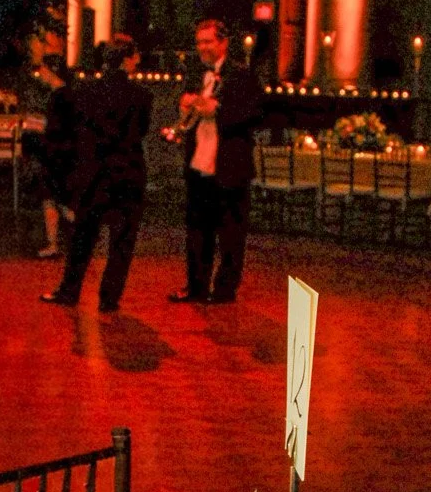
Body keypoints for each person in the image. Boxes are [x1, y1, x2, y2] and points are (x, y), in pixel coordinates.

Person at [42, 35, 150, 314]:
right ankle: (109, 297)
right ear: (127, 59)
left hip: (94, 173)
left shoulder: (86, 91)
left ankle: (69, 290)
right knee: (122, 241)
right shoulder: (141, 96)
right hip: (127, 173)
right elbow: (141, 131)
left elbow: (78, 130)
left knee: (82, 236)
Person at [171, 18, 262, 307]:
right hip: (199, 162)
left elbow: (254, 115)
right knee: (198, 228)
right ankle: (196, 286)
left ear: (223, 42)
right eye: (199, 42)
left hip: (229, 165)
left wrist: (219, 110)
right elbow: (190, 116)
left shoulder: (242, 75)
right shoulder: (196, 74)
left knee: (231, 232)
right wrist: (185, 107)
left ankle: (224, 290)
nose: (202, 48)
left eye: (208, 41)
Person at [33, 55, 78, 259]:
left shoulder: (60, 96)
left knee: (57, 198)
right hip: (60, 153)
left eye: (42, 69)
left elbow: (55, 127)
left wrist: (37, 126)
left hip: (57, 154)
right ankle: (53, 242)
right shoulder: (64, 94)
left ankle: (71, 236)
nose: (39, 74)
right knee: (51, 197)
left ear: (51, 71)